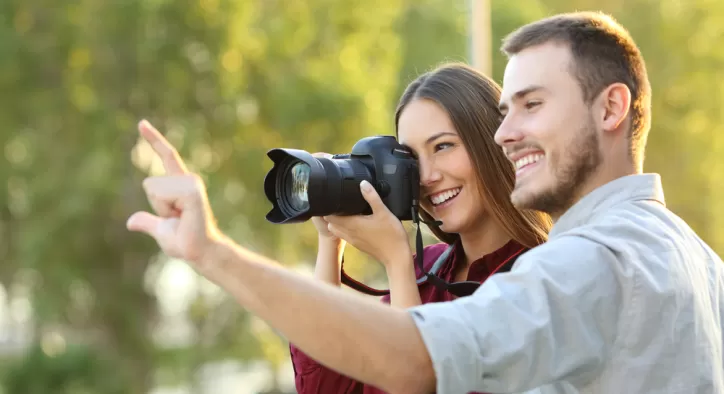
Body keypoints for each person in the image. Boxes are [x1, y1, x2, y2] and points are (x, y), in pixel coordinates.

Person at [127, 11, 724, 394]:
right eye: (506, 108)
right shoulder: (700, 262)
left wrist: (214, 255)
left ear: (612, 109)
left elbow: (417, 363)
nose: (504, 132)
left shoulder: (583, 265)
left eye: (531, 105)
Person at [289, 63, 552, 393]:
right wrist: (330, 240)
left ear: (495, 144)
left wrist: (397, 263)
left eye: (443, 146)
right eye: (411, 159)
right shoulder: (425, 271)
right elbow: (324, 387)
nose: (426, 177)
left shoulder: (544, 278)